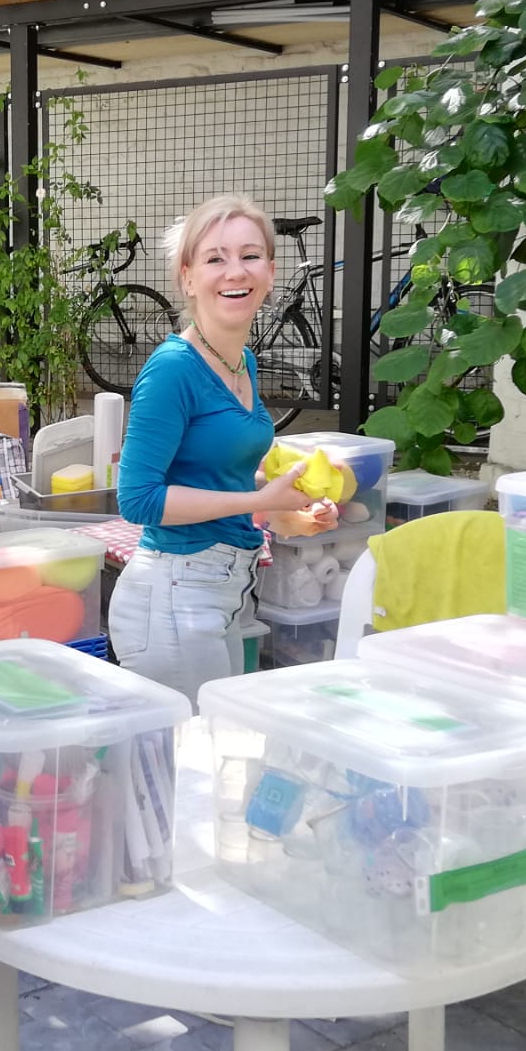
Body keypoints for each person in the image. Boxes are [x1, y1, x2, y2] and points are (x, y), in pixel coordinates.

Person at [109, 195, 338, 703]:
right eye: (215, 258)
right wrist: (261, 502)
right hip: (173, 595)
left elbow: (220, 480)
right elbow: (139, 499)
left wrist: (289, 502)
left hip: (224, 590)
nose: (236, 271)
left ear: (271, 272)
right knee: (192, 764)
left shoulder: (243, 363)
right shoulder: (173, 370)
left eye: (250, 255)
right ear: (188, 277)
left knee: (215, 755)